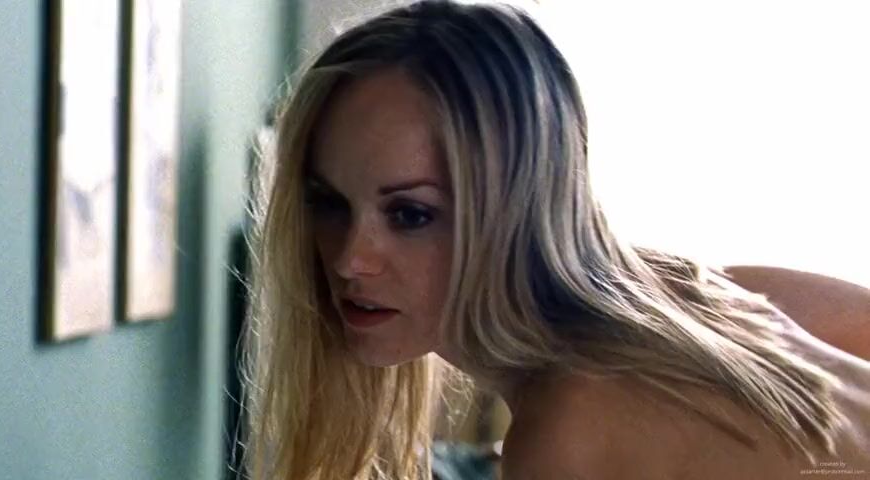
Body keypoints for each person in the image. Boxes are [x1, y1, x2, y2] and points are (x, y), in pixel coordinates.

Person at [240, 1, 870, 478]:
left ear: (517, 208)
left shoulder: (569, 426)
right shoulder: (696, 291)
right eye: (328, 203)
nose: (349, 259)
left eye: (410, 214)